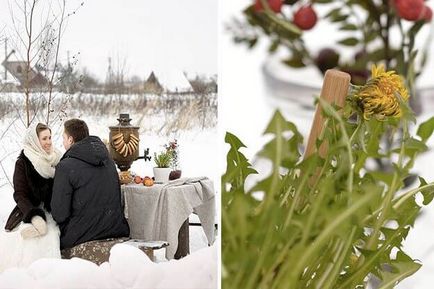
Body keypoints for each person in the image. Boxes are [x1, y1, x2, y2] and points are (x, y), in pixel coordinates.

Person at [51, 118, 129, 250]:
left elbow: (59, 214)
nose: (63, 142)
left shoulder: (65, 167)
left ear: (70, 139)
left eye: (63, 138)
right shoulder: (108, 161)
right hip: (115, 228)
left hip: (82, 235)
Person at [0, 123, 62, 272]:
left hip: (53, 210)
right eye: (44, 138)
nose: (48, 142)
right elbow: (20, 194)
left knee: (52, 235)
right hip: (29, 210)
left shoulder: (57, 159)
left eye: (50, 137)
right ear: (35, 141)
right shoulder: (23, 163)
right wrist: (34, 216)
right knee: (30, 243)